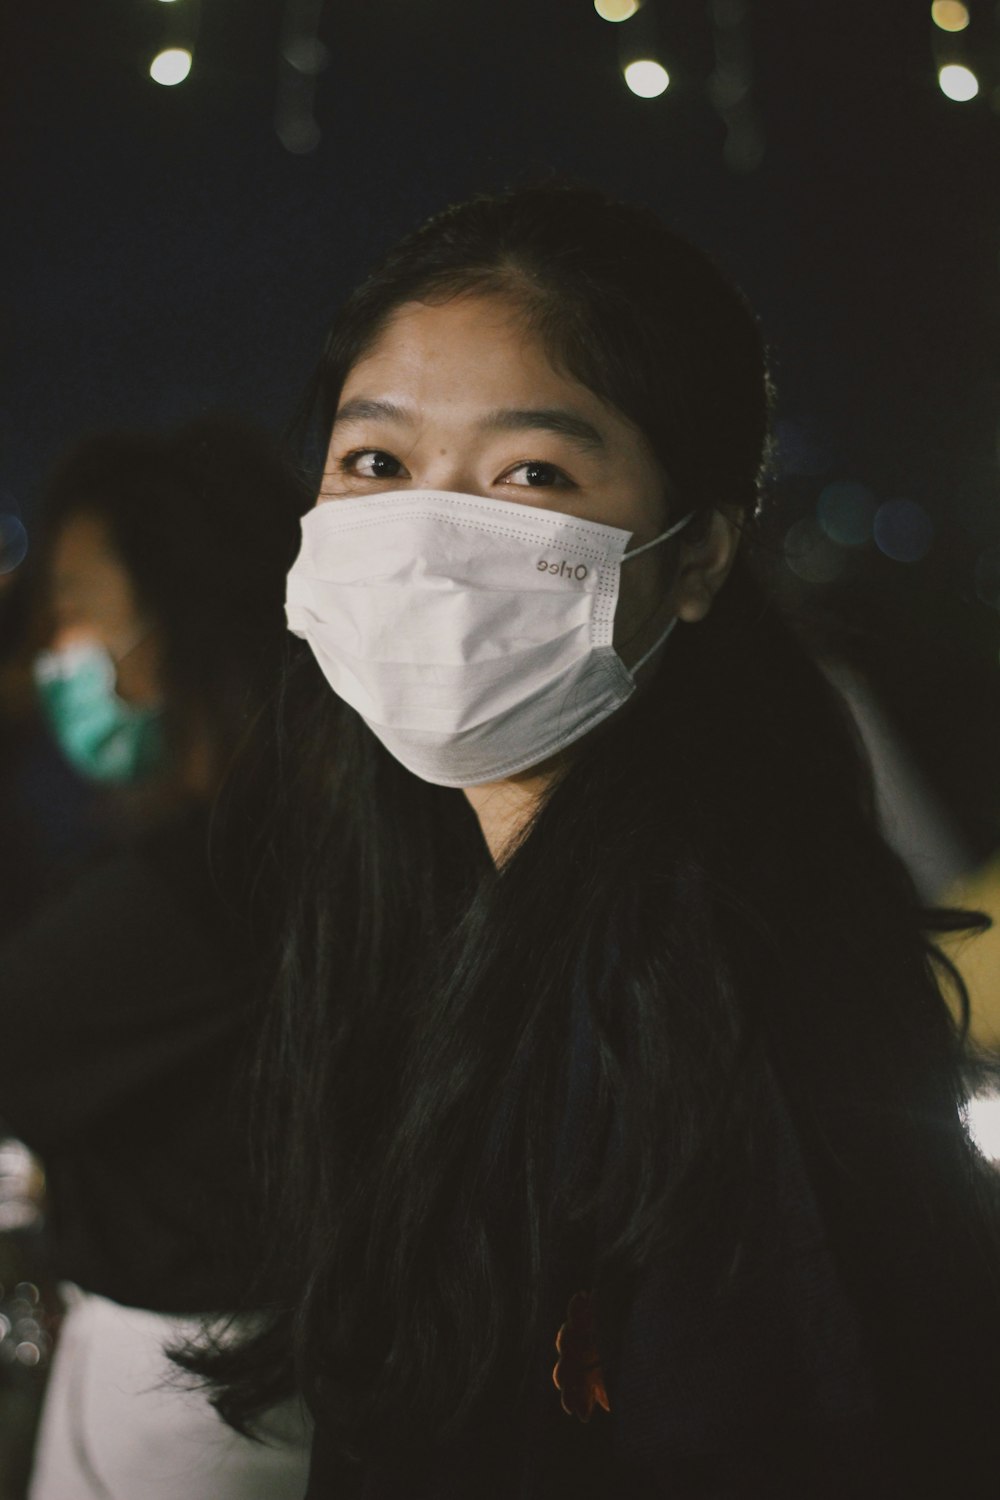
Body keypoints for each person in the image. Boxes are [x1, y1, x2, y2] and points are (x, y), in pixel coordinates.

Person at [187, 185, 1000, 1497]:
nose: (432, 542)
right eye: (378, 464)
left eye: (533, 475)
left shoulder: (718, 990)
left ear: (698, 558)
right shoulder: (424, 900)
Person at [0, 418, 313, 1498]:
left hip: (192, 1396)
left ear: (184, 603)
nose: (58, 651)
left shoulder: (210, 883)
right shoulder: (292, 835)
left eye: (80, 603)